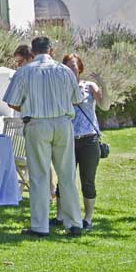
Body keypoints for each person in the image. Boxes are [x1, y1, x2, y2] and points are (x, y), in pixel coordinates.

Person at [3, 36, 83, 238]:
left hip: (37, 123)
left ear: (33, 52)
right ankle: (74, 222)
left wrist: (29, 106)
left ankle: (40, 226)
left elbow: (12, 101)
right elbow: (76, 99)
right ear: (51, 50)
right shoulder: (64, 71)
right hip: (63, 122)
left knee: (39, 176)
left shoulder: (25, 72)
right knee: (67, 175)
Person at [56, 53, 103, 231]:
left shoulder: (89, 87)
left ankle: (88, 219)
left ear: (80, 68)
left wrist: (104, 85)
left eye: (74, 65)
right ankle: (60, 215)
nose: (71, 68)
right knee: (64, 178)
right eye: (67, 65)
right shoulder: (60, 88)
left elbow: (105, 104)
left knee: (87, 180)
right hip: (67, 138)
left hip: (89, 139)